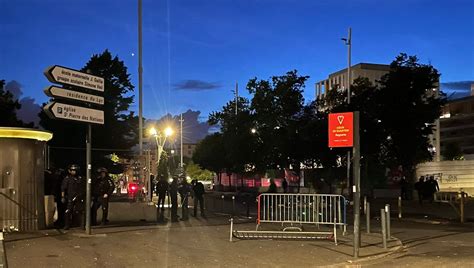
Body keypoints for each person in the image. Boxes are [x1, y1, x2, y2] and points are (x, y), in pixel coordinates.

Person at [61, 164, 85, 230]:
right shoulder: (67, 179)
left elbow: (83, 188)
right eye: (73, 170)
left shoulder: (80, 178)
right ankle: (67, 225)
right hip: (70, 197)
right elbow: (63, 188)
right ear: (69, 171)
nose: (74, 172)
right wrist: (62, 197)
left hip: (79, 197)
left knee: (81, 211)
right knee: (68, 211)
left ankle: (82, 225)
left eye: (75, 170)